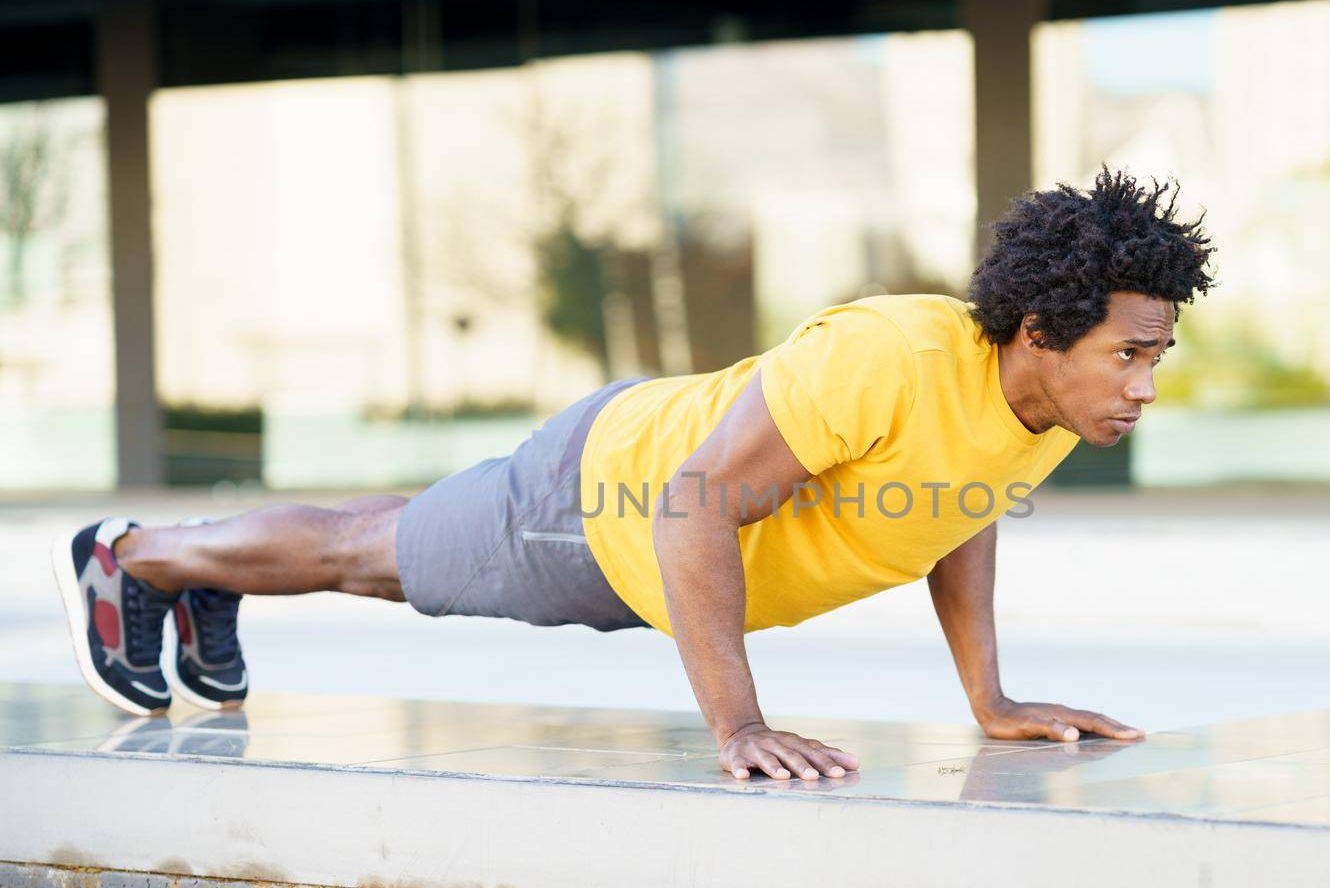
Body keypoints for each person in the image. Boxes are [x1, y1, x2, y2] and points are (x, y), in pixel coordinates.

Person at [53, 168, 1214, 782]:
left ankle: (201, 567)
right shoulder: (889, 355)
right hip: (605, 506)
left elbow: (957, 509)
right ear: (1033, 328)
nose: (1144, 387)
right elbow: (695, 501)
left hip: (635, 513)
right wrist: (739, 724)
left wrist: (990, 698)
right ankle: (131, 557)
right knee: (380, 556)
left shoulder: (1044, 405)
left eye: (1156, 356)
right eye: (1129, 354)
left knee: (399, 536)